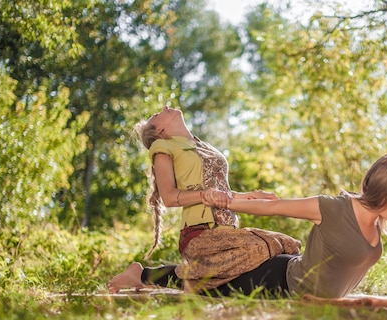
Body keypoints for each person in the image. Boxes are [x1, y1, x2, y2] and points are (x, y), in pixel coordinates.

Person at [107, 106, 301, 296]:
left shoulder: (204, 146)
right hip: (200, 233)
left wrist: (249, 195)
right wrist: (204, 195)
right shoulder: (163, 146)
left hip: (227, 232)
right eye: (156, 114)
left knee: (288, 243)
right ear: (160, 131)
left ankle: (147, 276)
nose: (165, 107)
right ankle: (145, 275)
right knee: (259, 247)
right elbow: (169, 197)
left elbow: (220, 193)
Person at [201, 154, 387, 299]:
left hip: (306, 291)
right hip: (276, 282)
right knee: (197, 280)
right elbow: (274, 206)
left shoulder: (376, 223)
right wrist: (228, 202)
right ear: (382, 187)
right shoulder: (333, 208)